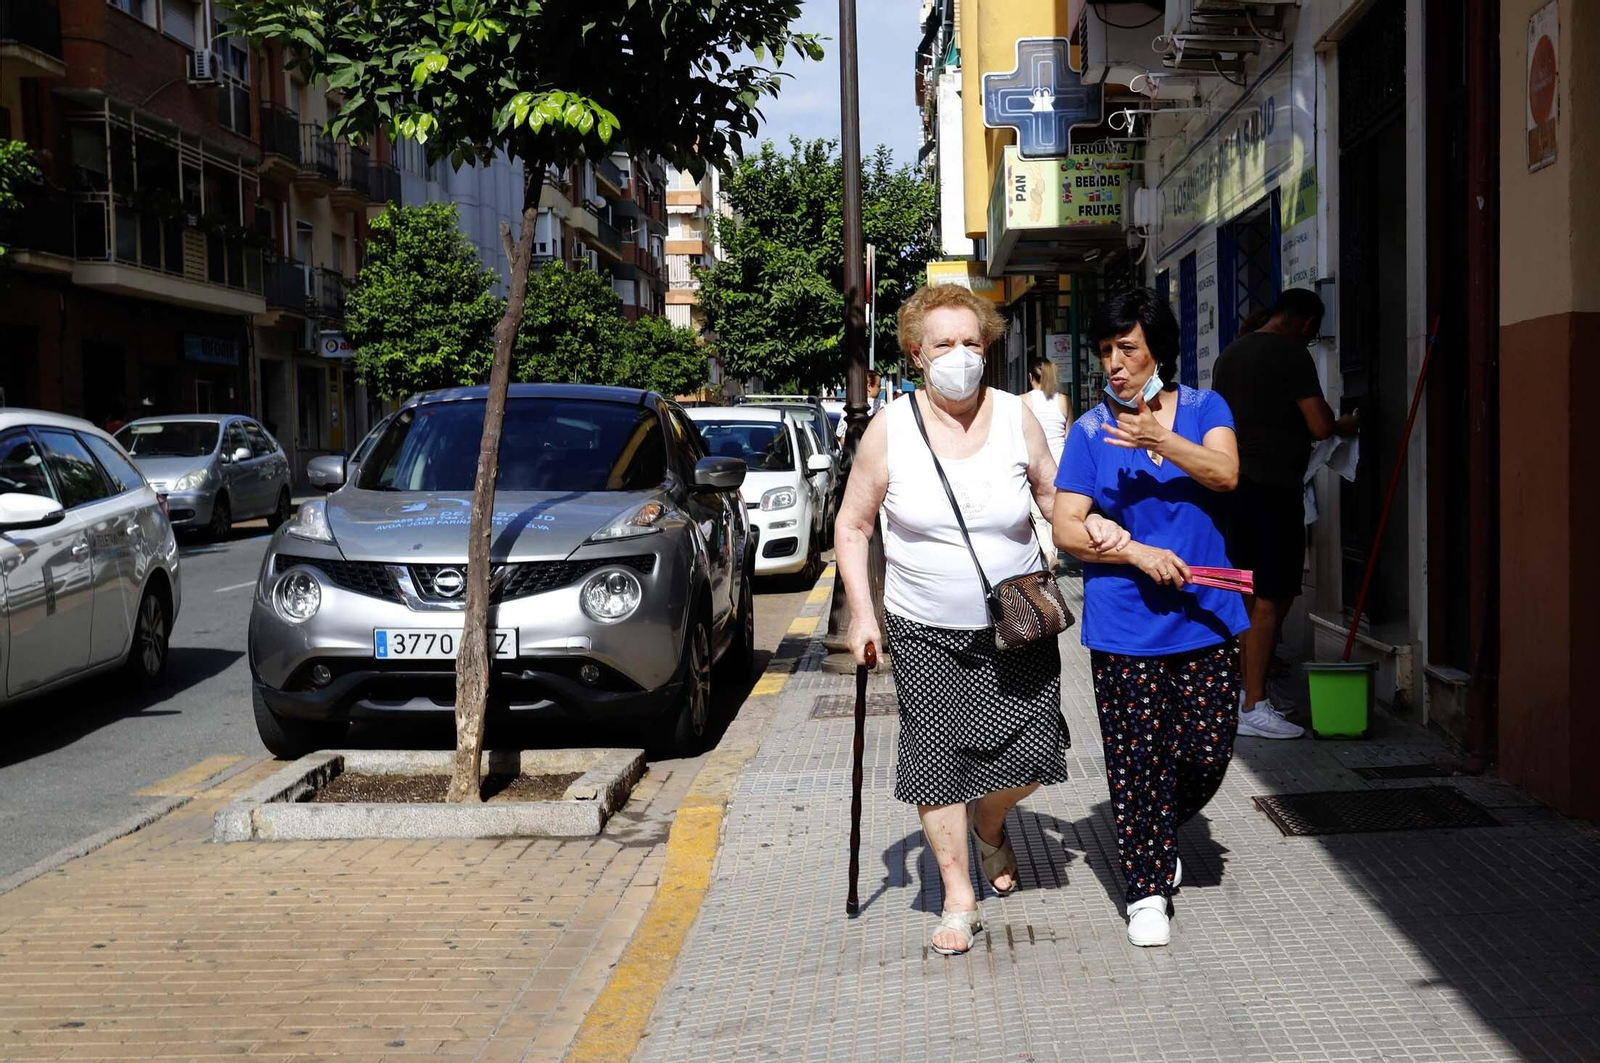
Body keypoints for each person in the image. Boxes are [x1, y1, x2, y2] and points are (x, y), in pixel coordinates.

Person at [835, 283, 1079, 957]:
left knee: (1034, 755)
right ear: (917, 352)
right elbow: (853, 525)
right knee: (937, 759)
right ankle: (957, 897)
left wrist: (1077, 535)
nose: (961, 355)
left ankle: (992, 823)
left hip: (1016, 618)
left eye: (972, 342)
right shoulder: (891, 429)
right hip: (922, 628)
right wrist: (863, 615)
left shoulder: (1014, 415)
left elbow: (1052, 491)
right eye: (944, 343)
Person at [1051, 287, 1248, 948]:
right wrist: (1134, 550)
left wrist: (1159, 437)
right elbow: (1066, 528)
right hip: (1125, 624)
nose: (1114, 363)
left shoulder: (1204, 407)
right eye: (1105, 350)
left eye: (1127, 348)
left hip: (1208, 616)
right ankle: (1146, 885)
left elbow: (1225, 473)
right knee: (1135, 761)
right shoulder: (1087, 431)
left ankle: (1151, 828)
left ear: (1157, 348)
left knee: (1207, 749)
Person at [1212, 288, 1359, 738]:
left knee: (1249, 594)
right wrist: (1343, 425)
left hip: (1235, 488)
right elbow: (1318, 424)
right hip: (1273, 488)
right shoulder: (1292, 355)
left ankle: (1247, 694)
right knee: (1272, 599)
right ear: (1308, 323)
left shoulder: (1230, 355)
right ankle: (1254, 705)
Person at [1025, 361, 1070, 567]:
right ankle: (1054, 552)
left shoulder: (1023, 401)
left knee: (1037, 511)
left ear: (1029, 377)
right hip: (1060, 461)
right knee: (1055, 509)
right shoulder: (1063, 401)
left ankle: (1048, 553)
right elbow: (1068, 435)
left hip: (1035, 459)